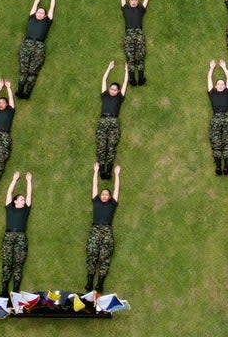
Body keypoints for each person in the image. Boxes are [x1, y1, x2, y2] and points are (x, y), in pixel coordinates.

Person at [17, 0, 58, 98]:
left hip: (39, 46)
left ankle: (27, 93)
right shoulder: (31, 18)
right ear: (35, 14)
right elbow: (34, 5)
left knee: (33, 71)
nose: (39, 13)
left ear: (44, 16)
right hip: (27, 43)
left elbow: (51, 9)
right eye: (38, 12)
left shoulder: (47, 21)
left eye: (42, 13)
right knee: (23, 68)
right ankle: (20, 89)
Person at [86, 163, 121, 292]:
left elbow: (116, 189)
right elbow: (95, 186)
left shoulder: (113, 203)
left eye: (107, 194)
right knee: (92, 254)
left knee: (105, 257)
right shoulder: (96, 201)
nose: (105, 195)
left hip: (107, 230)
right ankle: (89, 281)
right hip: (95, 229)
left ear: (110, 197)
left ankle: (100, 283)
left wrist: (117, 175)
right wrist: (95, 171)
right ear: (100, 196)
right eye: (103, 194)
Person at [0, 171, 33, 298]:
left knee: (18, 264)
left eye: (24, 199)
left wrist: (29, 181)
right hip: (8, 236)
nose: (24, 200)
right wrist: (14, 179)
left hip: (21, 237)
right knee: (7, 263)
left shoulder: (26, 209)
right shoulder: (9, 207)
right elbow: (9, 193)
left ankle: (16, 291)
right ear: (15, 201)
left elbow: (29, 194)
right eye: (21, 199)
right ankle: (4, 290)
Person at [96, 61, 129, 173]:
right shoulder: (105, 95)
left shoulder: (120, 97)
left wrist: (126, 71)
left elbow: (125, 82)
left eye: (115, 90)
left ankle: (109, 170)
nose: (113, 91)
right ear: (109, 89)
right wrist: (109, 69)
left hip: (114, 121)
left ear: (118, 91)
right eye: (111, 89)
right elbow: (104, 80)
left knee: (111, 145)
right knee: (101, 144)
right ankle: (101, 170)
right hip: (103, 120)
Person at [207, 59, 228, 176]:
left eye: (222, 84)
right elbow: (209, 79)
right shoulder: (212, 93)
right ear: (215, 86)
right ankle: (218, 168)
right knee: (216, 143)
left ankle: (226, 168)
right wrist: (211, 68)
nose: (221, 85)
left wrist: (224, 68)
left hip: (227, 118)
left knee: (227, 142)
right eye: (218, 84)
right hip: (216, 119)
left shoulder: (227, 92)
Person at [120, 0, 150, 84]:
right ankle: (132, 79)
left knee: (140, 56)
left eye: (135, 0)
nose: (133, 1)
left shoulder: (140, 9)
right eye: (132, 0)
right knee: (130, 56)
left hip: (139, 33)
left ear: (138, 2)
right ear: (129, 1)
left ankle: (141, 78)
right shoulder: (125, 9)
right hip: (128, 33)